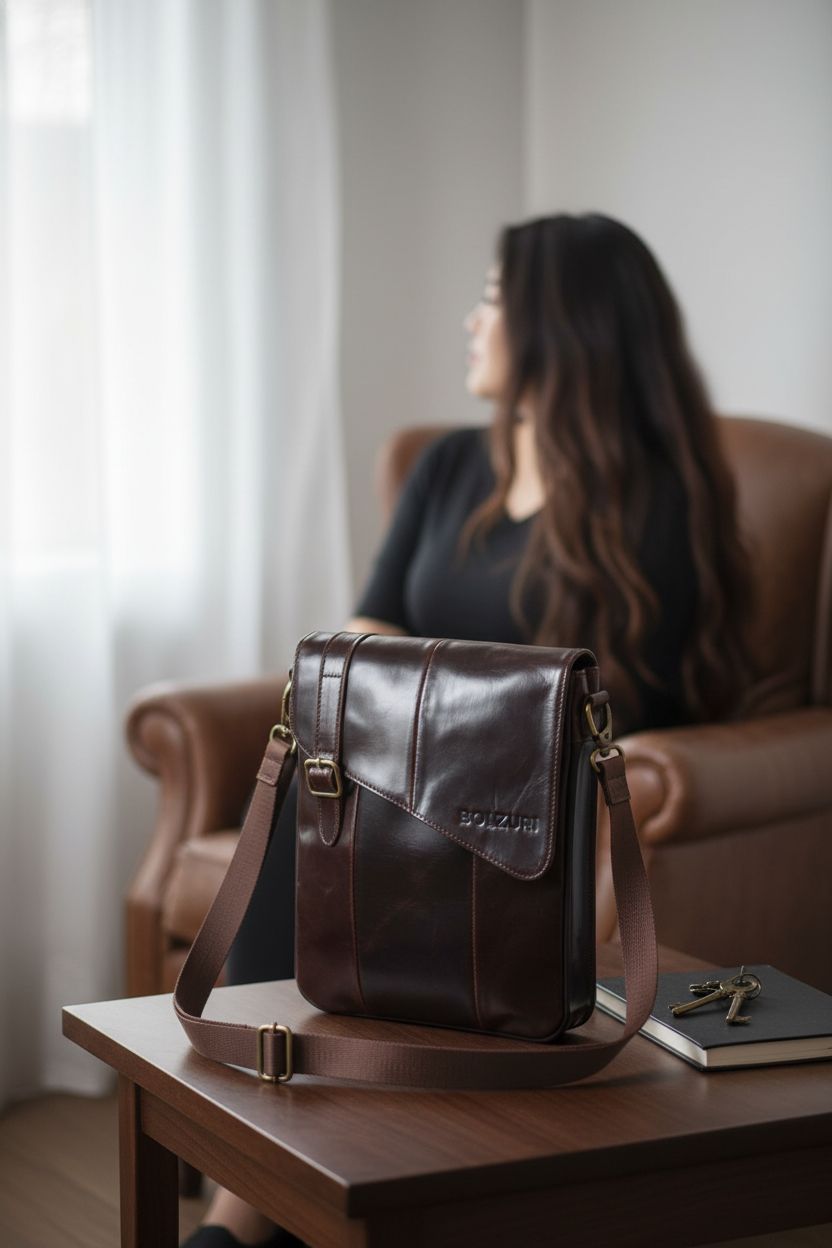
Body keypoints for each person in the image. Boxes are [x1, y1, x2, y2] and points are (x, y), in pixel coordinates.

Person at [183, 212, 753, 1247]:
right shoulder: (447, 466)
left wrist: (422, 710)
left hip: (524, 815)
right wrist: (407, 712)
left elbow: (633, 704)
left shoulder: (661, 500)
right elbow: (367, 623)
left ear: (555, 323)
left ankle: (244, 1220)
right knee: (310, 836)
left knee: (343, 865)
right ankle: (270, 1197)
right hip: (399, 788)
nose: (470, 320)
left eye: (490, 298)